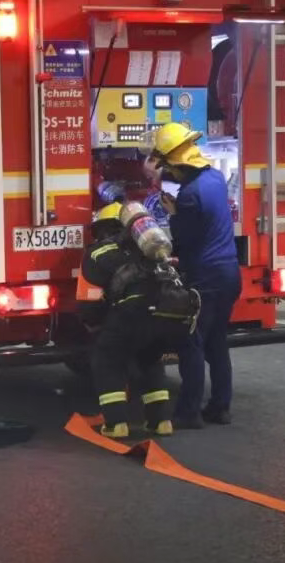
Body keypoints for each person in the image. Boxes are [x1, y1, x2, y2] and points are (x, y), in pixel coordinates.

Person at [144, 122, 241, 429]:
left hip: (205, 278)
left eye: (169, 168)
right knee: (217, 342)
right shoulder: (215, 179)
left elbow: (184, 241)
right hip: (229, 274)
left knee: (192, 343)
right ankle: (220, 408)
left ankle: (188, 413)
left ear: (176, 165)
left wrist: (173, 214)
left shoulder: (188, 196)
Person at [81, 202, 200, 438]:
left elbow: (89, 304)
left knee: (108, 360)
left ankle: (116, 424)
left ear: (101, 228)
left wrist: (95, 325)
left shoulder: (96, 254)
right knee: (150, 359)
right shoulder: (151, 248)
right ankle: (160, 421)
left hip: (130, 315)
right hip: (165, 317)